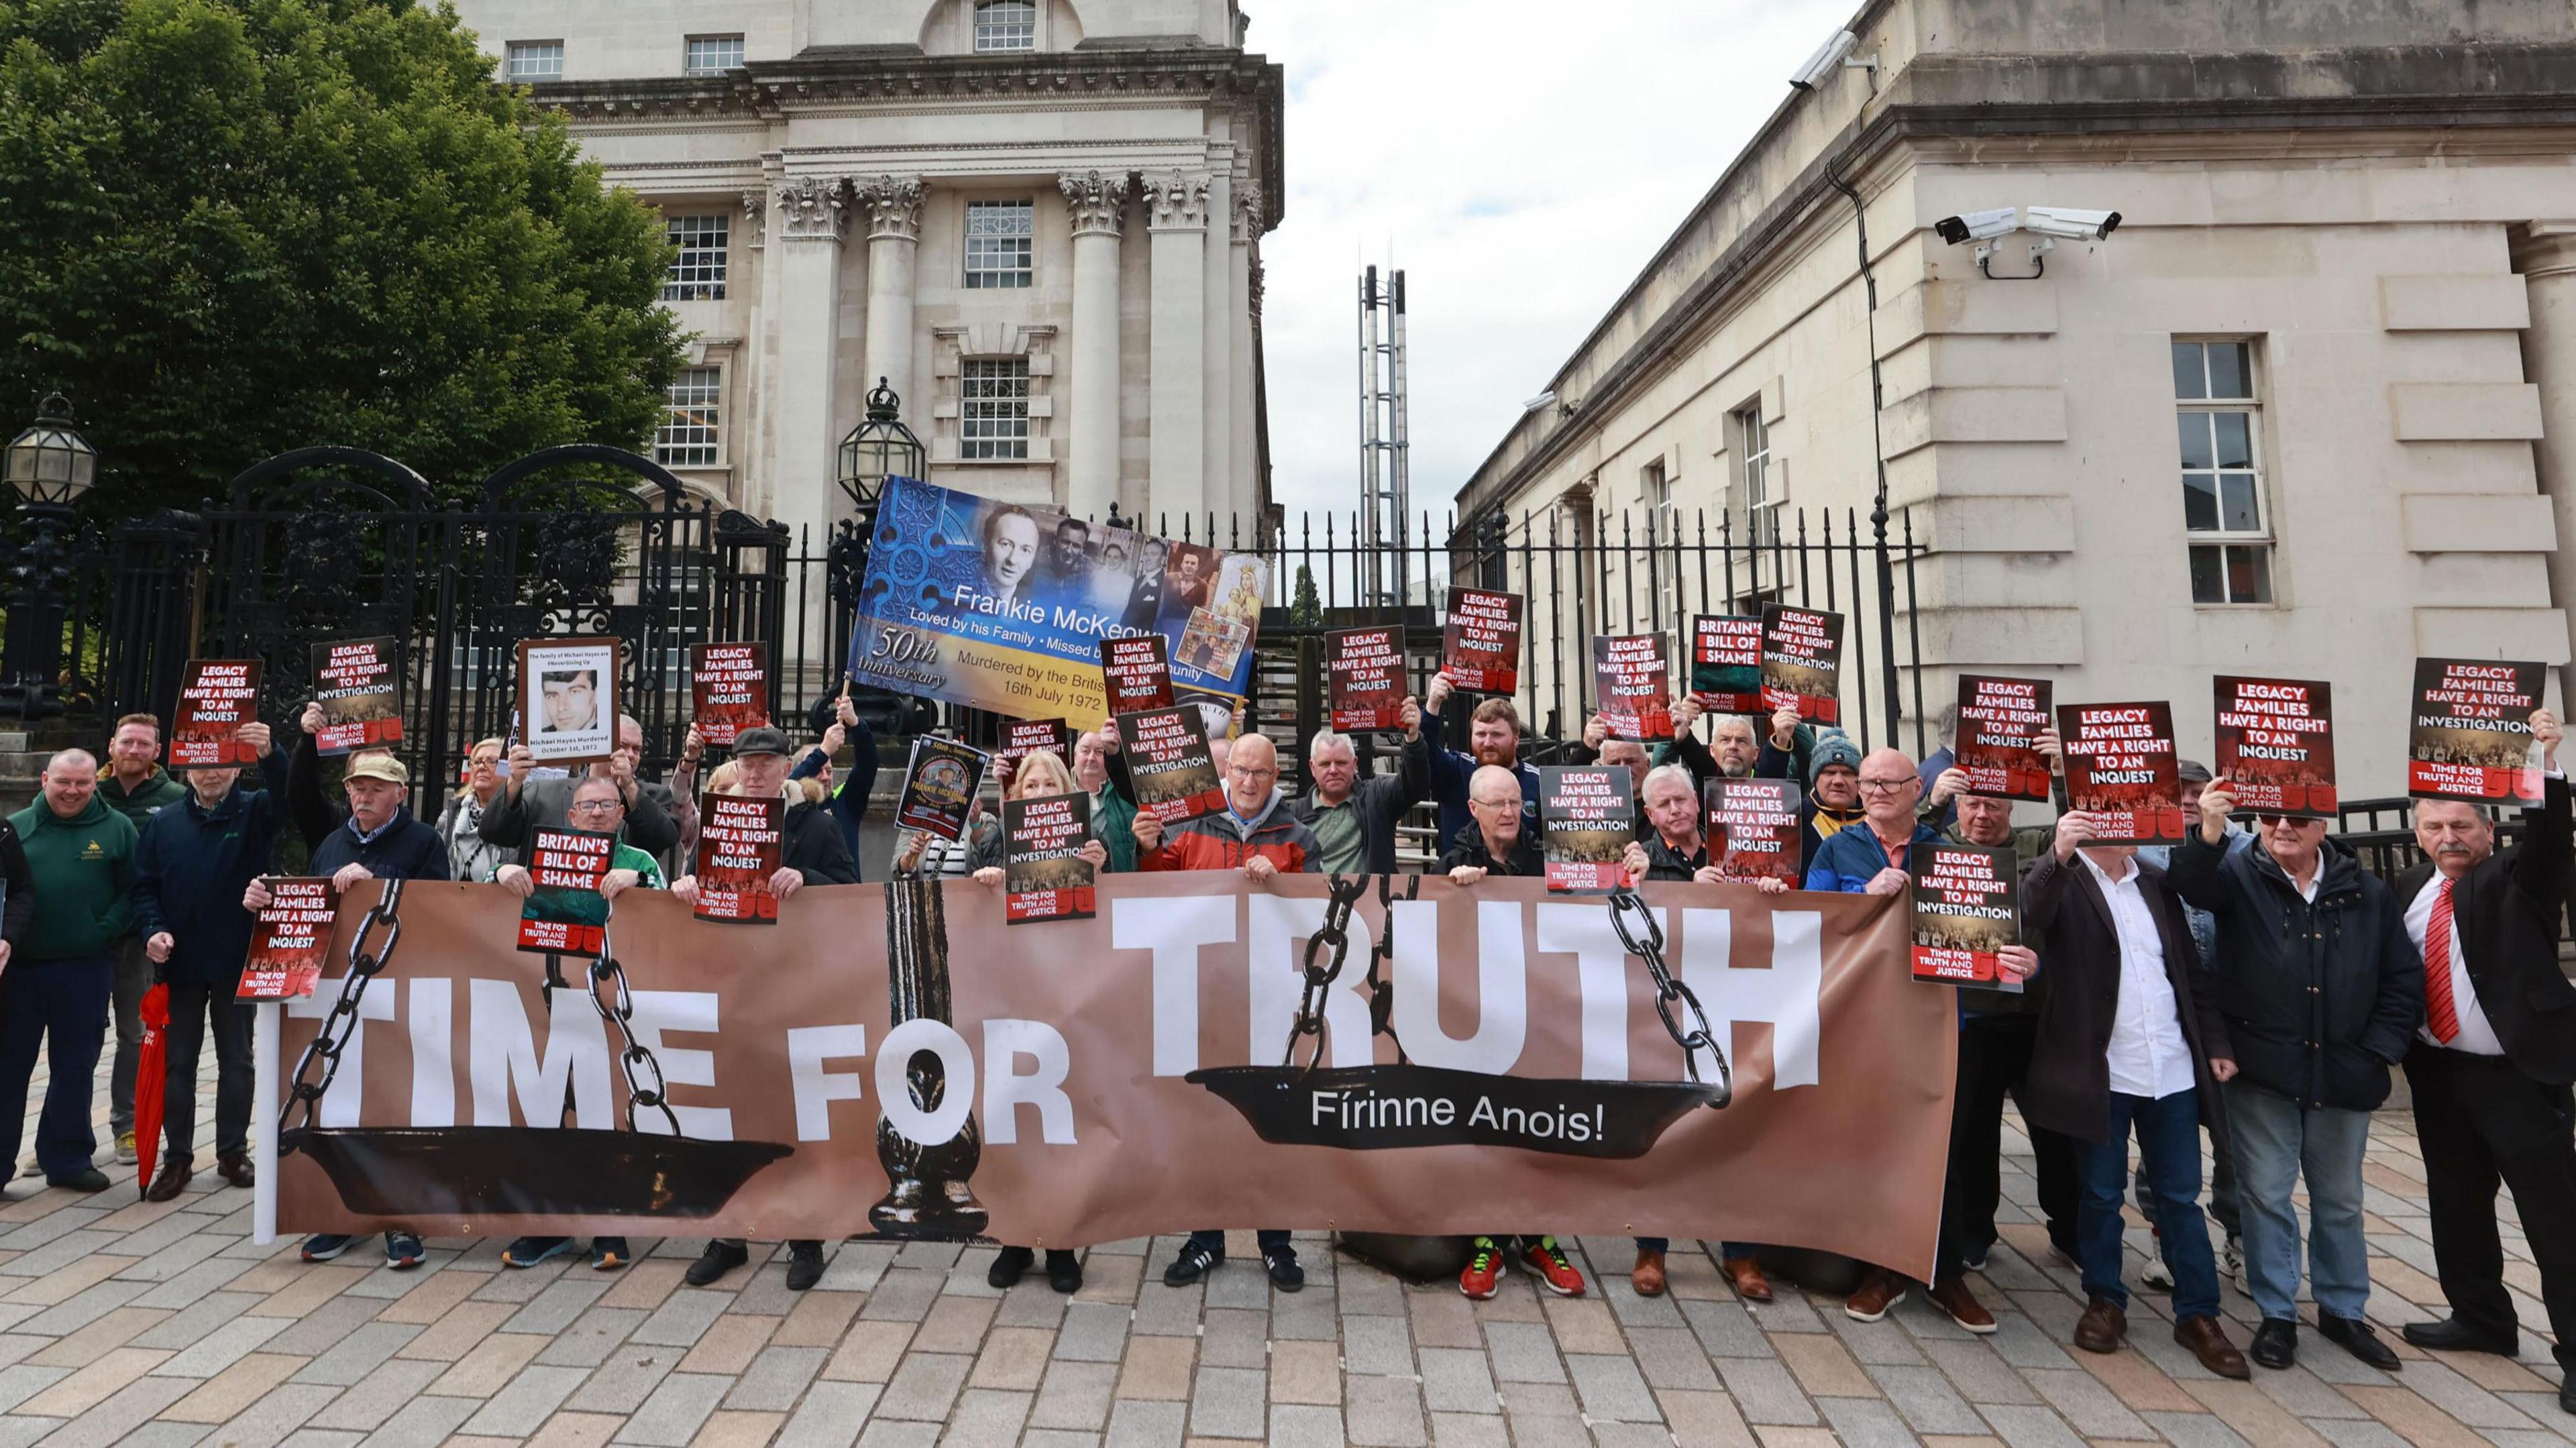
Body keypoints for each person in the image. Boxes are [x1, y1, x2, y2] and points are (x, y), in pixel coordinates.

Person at [2167, 775, 2420, 1372]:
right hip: (2263, 1072)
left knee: (2341, 1200)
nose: (2283, 826)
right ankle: (2278, 1312)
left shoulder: (2366, 890)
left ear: (2324, 825)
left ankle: (2342, 1310)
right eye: (2271, 815)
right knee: (2266, 1197)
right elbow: (2188, 884)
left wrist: (2376, 1052)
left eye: (2299, 818)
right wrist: (2207, 829)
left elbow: (2403, 980)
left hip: (2344, 1074)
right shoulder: (2236, 875)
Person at [2021, 806, 2251, 1379]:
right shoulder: (2063, 877)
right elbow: (2030, 912)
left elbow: (2190, 973)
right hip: (2101, 1067)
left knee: (2179, 1195)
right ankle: (2105, 1299)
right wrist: (2058, 853)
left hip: (2168, 1065)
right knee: (2100, 1192)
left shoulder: (2155, 879)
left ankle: (2198, 1312)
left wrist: (2215, 1042)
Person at [2393, 710, 2576, 1414]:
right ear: (2418, 834)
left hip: (2518, 1076)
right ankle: (2482, 1318)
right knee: (2457, 1204)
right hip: (2439, 1073)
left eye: (2462, 826)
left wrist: (2545, 759)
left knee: (2556, 1219)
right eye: (2435, 827)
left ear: (2488, 831)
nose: (2449, 838)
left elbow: (2553, 844)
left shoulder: (2515, 879)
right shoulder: (2408, 887)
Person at [1811, 749, 2029, 1332]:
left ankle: (1944, 1270)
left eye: (1891, 781)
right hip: (1867, 1023)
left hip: (1943, 1023)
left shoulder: (1949, 851)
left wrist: (2013, 960)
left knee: (1945, 1148)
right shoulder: (1836, 848)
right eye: (1870, 782)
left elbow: (1984, 930)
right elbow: (1811, 927)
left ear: (1918, 787)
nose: (1879, 790)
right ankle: (1881, 1268)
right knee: (1876, 1145)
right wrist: (1862, 900)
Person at [671, 726, 858, 1292]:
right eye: (746, 765)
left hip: (794, 987)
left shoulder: (816, 824)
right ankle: (730, 1234)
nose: (755, 774)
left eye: (766, 764)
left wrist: (808, 877)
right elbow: (699, 885)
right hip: (733, 984)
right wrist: (686, 886)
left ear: (785, 769)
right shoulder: (719, 823)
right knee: (731, 1111)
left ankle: (805, 1237)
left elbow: (849, 892)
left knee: (795, 1112)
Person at [1141, 732, 1313, 1292]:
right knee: (1206, 1117)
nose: (1247, 781)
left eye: (1259, 773)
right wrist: (1146, 848)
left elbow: (1325, 910)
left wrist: (1283, 882)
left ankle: (1276, 1243)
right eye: (1239, 769)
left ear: (1275, 775)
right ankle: (1205, 1240)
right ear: (1227, 771)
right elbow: (1153, 894)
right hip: (1204, 993)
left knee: (1275, 1118)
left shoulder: (1297, 835)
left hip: (1272, 998)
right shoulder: (1192, 825)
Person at [262, 748, 449, 1264]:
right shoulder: (330, 842)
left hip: (399, 995)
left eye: (376, 789)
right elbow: (308, 905)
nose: (364, 797)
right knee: (337, 1103)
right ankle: (342, 1217)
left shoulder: (423, 841)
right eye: (356, 788)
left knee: (395, 1109)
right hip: (335, 997)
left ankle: (399, 1221)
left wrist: (375, 883)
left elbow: (446, 912)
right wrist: (265, 898)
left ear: (400, 794)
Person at [1619, 763, 1789, 1300]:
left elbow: (1778, 911)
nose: (1675, 810)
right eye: (1663, 803)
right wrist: (1674, 887)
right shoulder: (1640, 858)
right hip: (1668, 1011)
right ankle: (1652, 1248)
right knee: (1664, 1127)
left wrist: (1766, 884)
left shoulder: (1738, 845)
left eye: (1683, 800)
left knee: (1734, 1125)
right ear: (1649, 813)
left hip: (1734, 1002)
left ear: (1700, 802)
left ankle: (1741, 1252)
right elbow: (1619, 919)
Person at [495, 774, 665, 1272]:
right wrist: (502, 875)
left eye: (607, 805)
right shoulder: (546, 854)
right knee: (551, 1112)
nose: (595, 813)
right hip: (551, 1005)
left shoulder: (639, 861)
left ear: (621, 814)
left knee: (607, 1113)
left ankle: (610, 1223)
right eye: (587, 805)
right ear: (571, 815)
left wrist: (642, 884)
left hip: (613, 1011)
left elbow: (671, 905)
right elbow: (483, 898)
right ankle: (548, 1225)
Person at [1437, 765, 1590, 1300]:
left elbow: (1592, 904)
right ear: (1473, 808)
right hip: (1482, 1017)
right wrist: (1457, 892)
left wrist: (1628, 868)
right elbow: (1437, 934)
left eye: (1516, 803)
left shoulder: (1552, 852)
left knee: (1539, 1121)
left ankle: (1539, 1234)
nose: (1508, 812)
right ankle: (1488, 1238)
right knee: (1484, 1123)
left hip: (1544, 1011)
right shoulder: (1455, 858)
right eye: (1497, 803)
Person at [969, 748, 1110, 1294]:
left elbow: (1113, 916)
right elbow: (969, 902)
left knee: (1059, 1123)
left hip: (1066, 995)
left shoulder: (1090, 844)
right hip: (1012, 995)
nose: (1040, 793)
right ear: (1017, 794)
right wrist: (986, 883)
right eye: (1031, 786)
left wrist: (1102, 870)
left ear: (1067, 793)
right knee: (1012, 1119)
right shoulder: (998, 841)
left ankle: (1061, 1244)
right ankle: (1013, 1239)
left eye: (1050, 785)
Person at [131, 720, 287, 1201]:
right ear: (186, 768)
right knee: (178, 1063)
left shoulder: (256, 810)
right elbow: (144, 888)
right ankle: (177, 1158)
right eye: (200, 764)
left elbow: (288, 798)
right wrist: (152, 929)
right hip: (180, 964)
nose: (211, 773)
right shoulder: (164, 822)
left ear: (238, 767)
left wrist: (271, 754)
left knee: (237, 1060)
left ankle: (232, 1151)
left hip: (238, 959)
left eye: (221, 762)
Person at [1935, 770, 2082, 1274]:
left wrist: (2061, 776)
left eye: (1994, 805)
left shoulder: (2037, 843)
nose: (1982, 815)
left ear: (2013, 808)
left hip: (2040, 1015)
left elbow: (2076, 832)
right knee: (1975, 1132)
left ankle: (2070, 1232)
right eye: (1972, 804)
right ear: (1958, 807)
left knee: (2057, 1131)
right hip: (1976, 1016)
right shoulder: (1941, 845)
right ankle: (1976, 1231)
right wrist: (1932, 802)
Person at [1, 750, 140, 1193]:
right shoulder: (15, 828)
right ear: (45, 779)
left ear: (95, 782)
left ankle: (67, 1158)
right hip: (20, 970)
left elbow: (135, 889)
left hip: (86, 966)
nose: (73, 791)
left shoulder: (118, 828)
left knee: (76, 1065)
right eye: (63, 781)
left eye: (83, 783)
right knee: (8, 1067)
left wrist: (104, 930)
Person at [2134, 759, 2248, 1293]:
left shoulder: (2245, 846)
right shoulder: (2137, 850)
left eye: (2200, 792)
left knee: (2237, 1143)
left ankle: (2239, 1237)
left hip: (2229, 1020)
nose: (2190, 800)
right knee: (2162, 1142)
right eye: (2177, 791)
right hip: (2166, 1022)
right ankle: (2164, 1239)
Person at [99, 713, 188, 1168]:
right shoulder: (85, 791)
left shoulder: (175, 798)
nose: (133, 751)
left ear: (158, 752)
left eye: (143, 745)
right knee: (79, 1035)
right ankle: (61, 1126)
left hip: (141, 937)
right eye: (126, 742)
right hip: (91, 936)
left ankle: (127, 1123)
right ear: (112, 745)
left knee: (134, 1033)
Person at [476, 712, 681, 867]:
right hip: (550, 913)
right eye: (622, 745)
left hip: (620, 915)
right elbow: (493, 832)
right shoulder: (543, 793)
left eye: (636, 749)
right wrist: (514, 782)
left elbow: (663, 839)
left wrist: (629, 786)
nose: (630, 755)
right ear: (597, 743)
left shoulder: (653, 796)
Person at [1285, 706, 1428, 875]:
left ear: (1355, 764)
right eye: (1325, 764)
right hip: (1315, 900)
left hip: (1370, 900)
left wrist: (1412, 739)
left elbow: (1415, 787)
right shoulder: (1294, 815)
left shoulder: (1377, 799)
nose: (1333, 770)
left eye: (1341, 763)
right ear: (1312, 767)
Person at [1418, 675, 1542, 849]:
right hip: (1459, 875)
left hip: (1519, 876)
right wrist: (1432, 707)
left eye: (1497, 735)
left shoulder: (1538, 783)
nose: (1488, 742)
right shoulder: (1456, 771)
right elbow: (1423, 752)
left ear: (1516, 739)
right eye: (1481, 734)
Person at [786, 696, 882, 879]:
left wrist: (856, 725)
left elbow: (868, 765)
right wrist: (823, 752)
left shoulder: (845, 804)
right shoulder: (788, 810)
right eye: (818, 770)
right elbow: (788, 786)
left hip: (844, 900)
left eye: (829, 771)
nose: (825, 777)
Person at [433, 738, 513, 883]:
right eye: (476, 762)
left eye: (491, 761)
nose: (482, 767)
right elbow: (436, 860)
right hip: (452, 898)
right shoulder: (452, 812)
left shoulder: (517, 814)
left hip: (497, 900)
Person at [1795, 732, 1867, 876]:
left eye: (1847, 773)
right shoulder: (1797, 816)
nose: (1838, 781)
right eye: (1829, 773)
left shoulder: (1876, 818)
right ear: (1815, 779)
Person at [1073, 730, 1140, 873]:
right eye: (1085, 751)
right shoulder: (1057, 790)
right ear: (1075, 756)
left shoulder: (1126, 792)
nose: (1091, 758)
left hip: (1121, 885)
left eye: (1099, 752)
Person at [977, 505, 1042, 606]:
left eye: (1025, 550)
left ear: (1032, 560)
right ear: (985, 545)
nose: (1013, 560)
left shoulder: (1036, 606)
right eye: (1006, 544)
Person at [1122, 538, 1170, 630]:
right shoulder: (1139, 580)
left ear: (1163, 559)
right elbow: (1130, 608)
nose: (1148, 559)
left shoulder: (1165, 584)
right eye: (1146, 554)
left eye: (1154, 554)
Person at [1042, 517, 1092, 598]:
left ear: (1083, 549)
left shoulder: (1089, 569)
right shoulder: (1038, 557)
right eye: (1065, 542)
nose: (1069, 551)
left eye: (1076, 546)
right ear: (1055, 540)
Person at [541, 668, 601, 735]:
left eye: (574, 692)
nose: (561, 707)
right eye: (552, 696)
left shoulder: (610, 738)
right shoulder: (537, 737)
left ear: (596, 694)